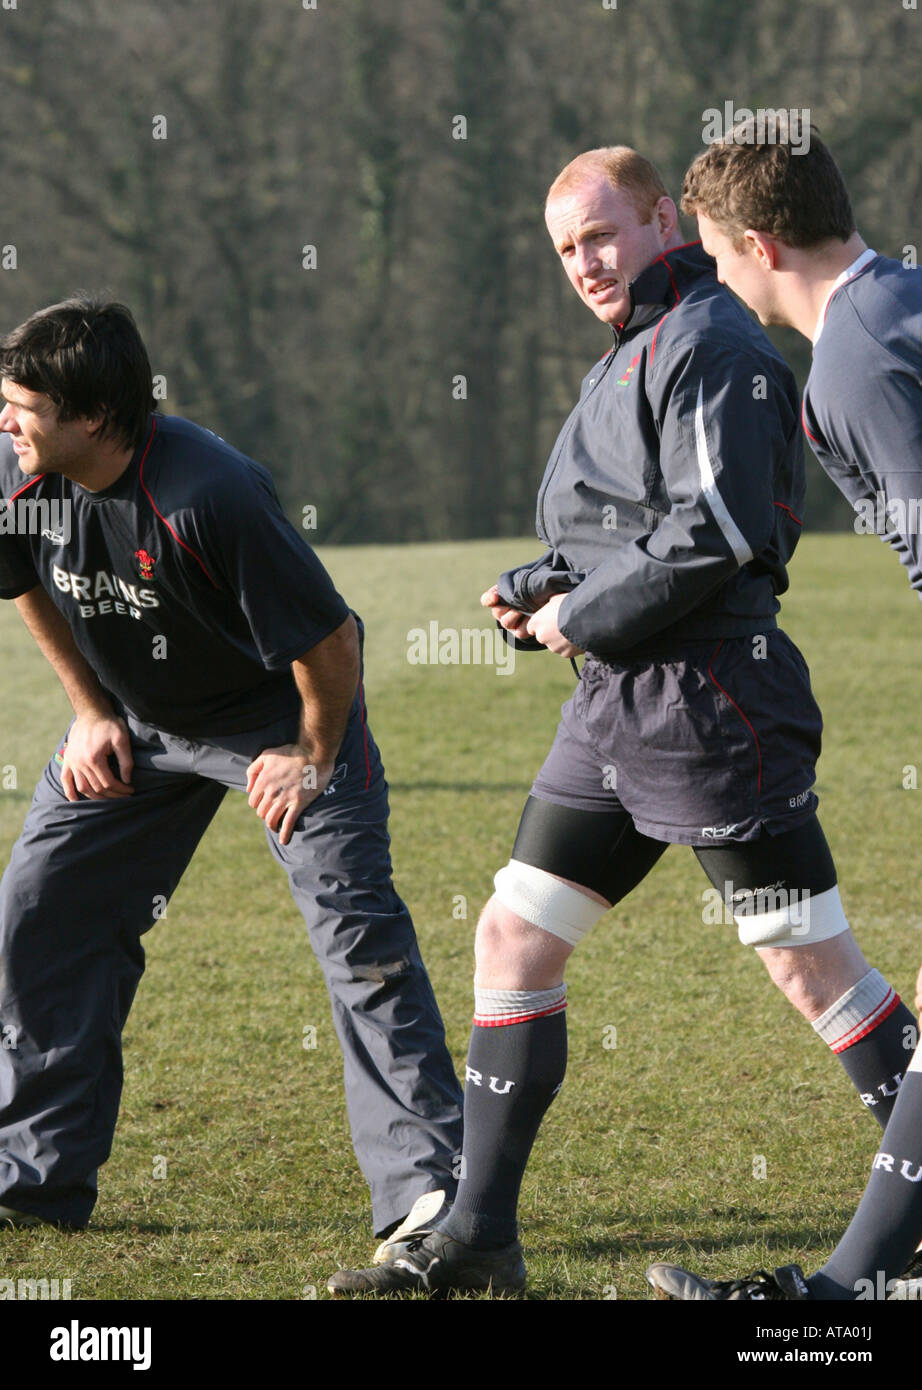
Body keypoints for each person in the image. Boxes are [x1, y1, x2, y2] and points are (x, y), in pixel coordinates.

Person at [328, 146, 916, 1296]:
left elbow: (729, 529)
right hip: (615, 706)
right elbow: (623, 518)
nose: (585, 262)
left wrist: (580, 610)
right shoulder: (638, 347)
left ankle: (887, 1250)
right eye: (564, 250)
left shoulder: (717, 342)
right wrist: (544, 583)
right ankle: (480, 1238)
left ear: (664, 219)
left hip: (709, 705)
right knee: (514, 934)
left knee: (810, 967)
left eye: (602, 233)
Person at [0, 296, 462, 1256]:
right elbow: (22, 580)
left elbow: (331, 638)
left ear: (92, 417)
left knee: (358, 939)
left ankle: (431, 1200)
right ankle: (31, 1179)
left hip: (275, 721)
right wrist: (90, 712)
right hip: (135, 723)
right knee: (38, 911)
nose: (6, 422)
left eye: (23, 406)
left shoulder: (212, 492)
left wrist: (315, 752)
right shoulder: (21, 474)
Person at [643, 117, 922, 1302]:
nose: (707, 275)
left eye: (712, 251)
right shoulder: (897, 297)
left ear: (755, 243)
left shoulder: (854, 359)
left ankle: (840, 1292)